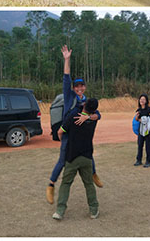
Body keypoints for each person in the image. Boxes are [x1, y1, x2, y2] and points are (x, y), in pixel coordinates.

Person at [47, 45, 102, 204]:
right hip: (68, 134)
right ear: (73, 88)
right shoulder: (69, 96)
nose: (79, 88)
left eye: (81, 86)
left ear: (84, 87)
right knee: (63, 160)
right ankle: (51, 185)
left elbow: (98, 115)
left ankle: (93, 174)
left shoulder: (86, 100)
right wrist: (67, 59)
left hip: (82, 135)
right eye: (76, 86)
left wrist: (88, 118)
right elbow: (66, 76)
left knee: (88, 155)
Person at [53, 98, 101, 220]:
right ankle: (94, 210)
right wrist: (90, 116)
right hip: (87, 156)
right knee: (89, 184)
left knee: (66, 183)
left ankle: (60, 211)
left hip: (72, 156)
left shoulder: (73, 116)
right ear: (94, 110)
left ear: (84, 104)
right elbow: (97, 115)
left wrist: (63, 141)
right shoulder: (93, 119)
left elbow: (59, 132)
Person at [134, 93, 150, 167]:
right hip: (141, 130)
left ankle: (148, 161)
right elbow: (136, 119)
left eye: (143, 99)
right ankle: (138, 160)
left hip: (148, 131)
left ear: (146, 101)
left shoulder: (149, 109)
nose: (142, 100)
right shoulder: (139, 110)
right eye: (141, 99)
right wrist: (137, 117)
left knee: (148, 146)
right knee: (140, 145)